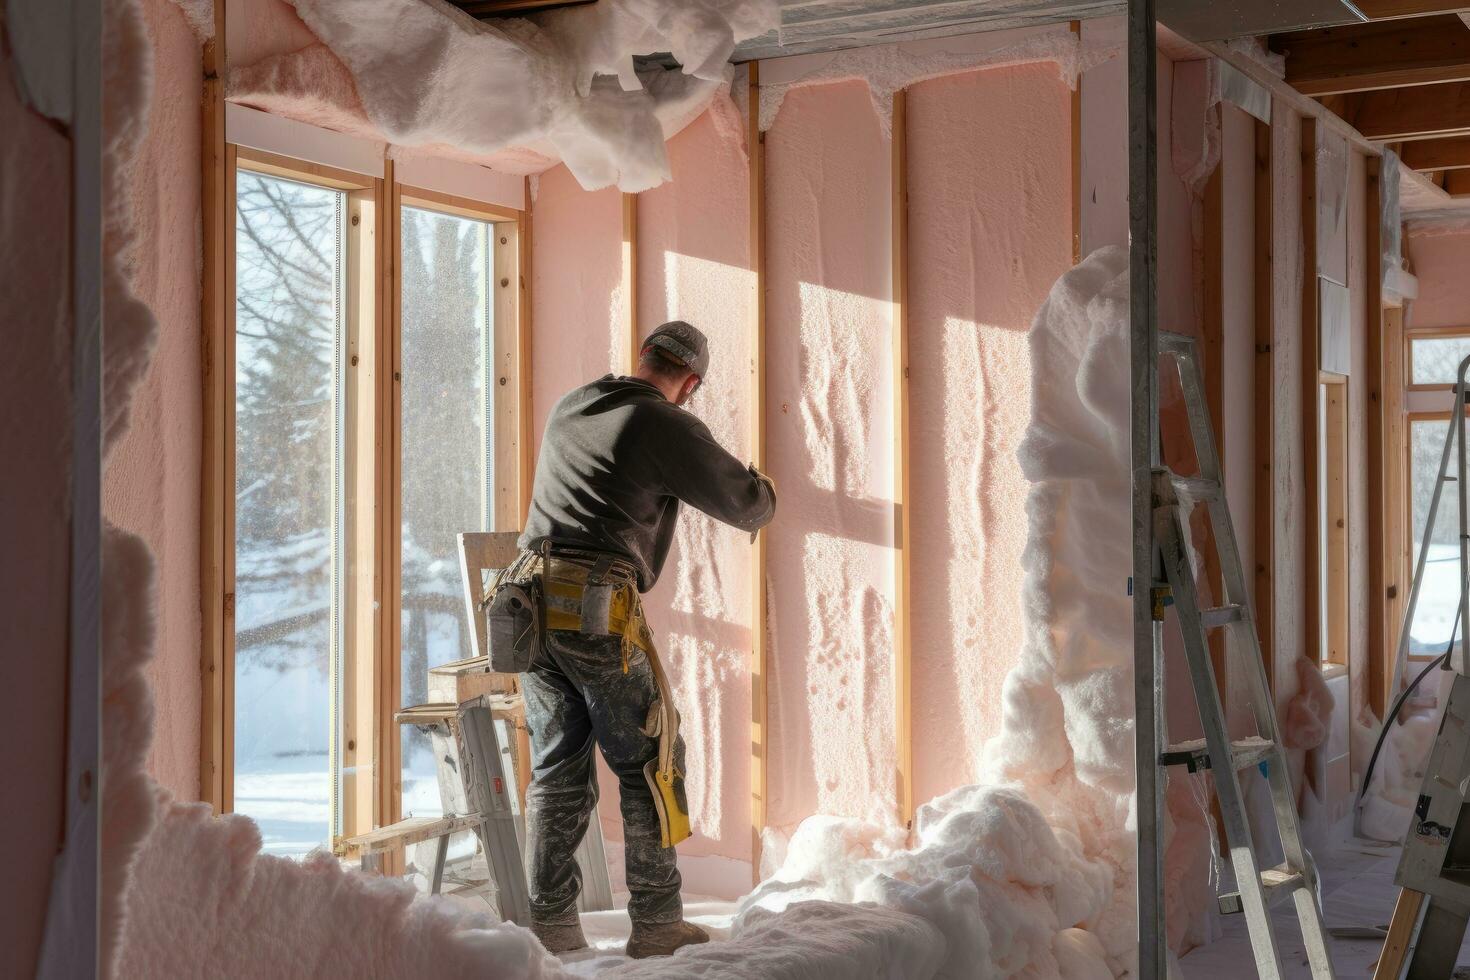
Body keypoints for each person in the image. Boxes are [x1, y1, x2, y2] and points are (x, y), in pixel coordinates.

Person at [516, 320, 777, 959]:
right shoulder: (664, 422)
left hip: (527, 607)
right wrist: (761, 482)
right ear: (690, 383)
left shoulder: (574, 404)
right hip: (593, 606)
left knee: (556, 767)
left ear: (642, 356)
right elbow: (748, 505)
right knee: (651, 758)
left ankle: (550, 925)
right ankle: (658, 922)